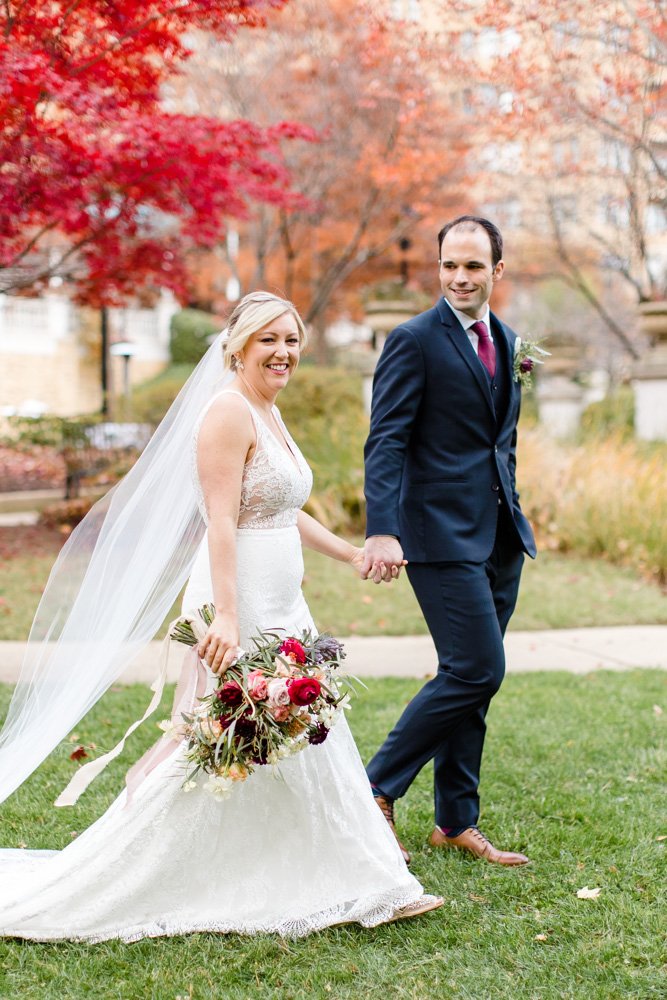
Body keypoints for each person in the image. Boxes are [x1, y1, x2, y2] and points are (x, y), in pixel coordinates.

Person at [0, 292, 442, 941]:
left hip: (281, 599)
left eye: (291, 340)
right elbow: (221, 520)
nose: (284, 352)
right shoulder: (227, 412)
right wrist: (229, 617)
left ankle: (362, 876)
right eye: (269, 340)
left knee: (296, 725)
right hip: (238, 600)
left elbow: (283, 506)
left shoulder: (266, 409)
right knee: (223, 734)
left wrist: (349, 553)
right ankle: (357, 880)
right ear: (236, 344)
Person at [362, 216, 537, 866]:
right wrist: (382, 527)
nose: (459, 278)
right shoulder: (412, 340)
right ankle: (374, 788)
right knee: (476, 668)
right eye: (448, 266)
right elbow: (386, 440)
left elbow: (501, 441)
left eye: (472, 266)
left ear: (496, 271)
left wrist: (512, 514)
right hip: (436, 535)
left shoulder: (509, 340)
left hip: (497, 538)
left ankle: (454, 820)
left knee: (472, 681)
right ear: (437, 269)